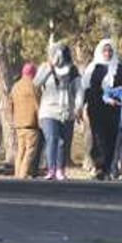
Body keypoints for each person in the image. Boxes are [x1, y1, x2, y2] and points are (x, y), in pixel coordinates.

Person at [35, 43, 83, 180]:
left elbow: (78, 90)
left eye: (60, 53)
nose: (58, 57)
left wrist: (78, 107)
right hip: (48, 111)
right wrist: (49, 67)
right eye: (55, 53)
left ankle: (60, 170)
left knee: (63, 142)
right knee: (52, 138)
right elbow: (37, 83)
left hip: (66, 110)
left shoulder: (73, 71)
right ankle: (51, 169)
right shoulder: (45, 67)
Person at [82, 38, 122, 180]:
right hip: (96, 106)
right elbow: (84, 88)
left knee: (112, 137)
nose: (107, 53)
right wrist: (80, 106)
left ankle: (108, 167)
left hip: (113, 108)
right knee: (98, 136)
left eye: (110, 50)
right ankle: (99, 166)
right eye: (105, 50)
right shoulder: (92, 67)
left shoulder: (120, 68)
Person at [10, 61, 40, 179]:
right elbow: (36, 104)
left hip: (18, 124)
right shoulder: (33, 86)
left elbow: (10, 104)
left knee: (20, 151)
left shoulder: (15, 86)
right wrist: (40, 120)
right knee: (30, 151)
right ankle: (23, 175)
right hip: (31, 123)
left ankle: (17, 174)